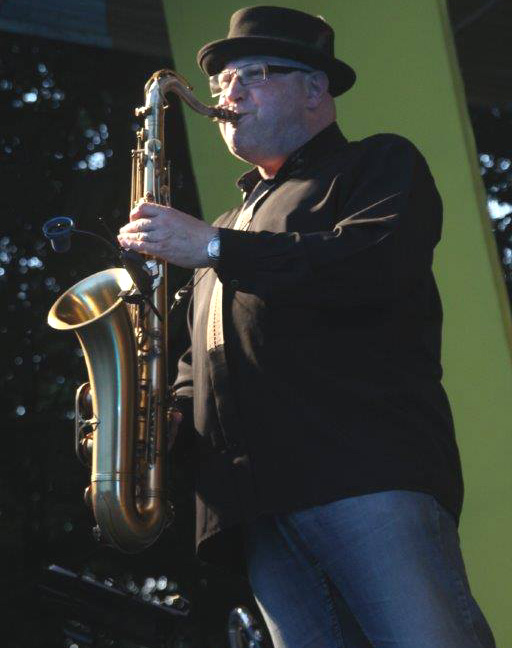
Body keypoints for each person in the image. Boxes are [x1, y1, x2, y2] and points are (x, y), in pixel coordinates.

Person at [117, 6, 496, 648]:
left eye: (250, 75)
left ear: (314, 87)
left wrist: (213, 248)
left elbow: (372, 263)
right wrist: (165, 419)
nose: (227, 96)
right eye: (221, 83)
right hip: (257, 509)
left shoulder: (377, 163)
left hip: (362, 474)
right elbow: (198, 368)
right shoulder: (227, 225)